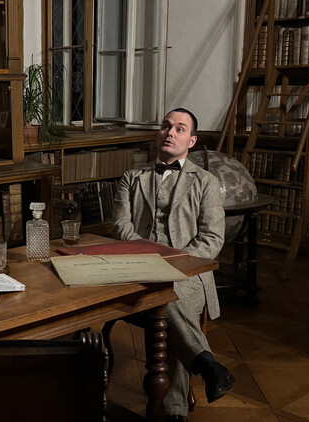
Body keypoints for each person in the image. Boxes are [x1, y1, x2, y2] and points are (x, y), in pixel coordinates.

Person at [110, 108, 235, 421]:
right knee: (165, 297)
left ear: (191, 140)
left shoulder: (206, 182)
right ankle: (206, 366)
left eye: (180, 128)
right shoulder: (131, 178)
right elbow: (121, 227)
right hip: (137, 269)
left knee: (169, 296)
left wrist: (173, 264)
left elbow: (211, 240)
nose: (170, 132)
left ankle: (174, 408)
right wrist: (148, 259)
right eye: (166, 126)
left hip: (188, 273)